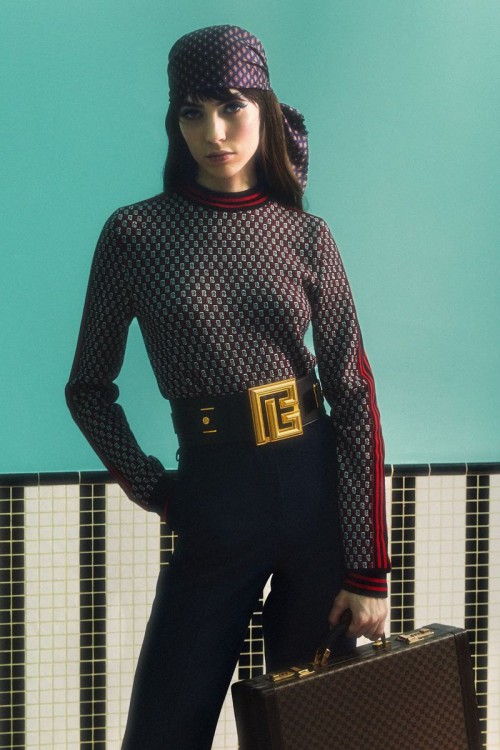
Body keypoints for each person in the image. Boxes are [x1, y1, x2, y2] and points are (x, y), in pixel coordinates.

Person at [66, 25, 390, 750]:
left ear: (264, 109)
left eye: (232, 106)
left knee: (307, 735)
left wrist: (369, 568)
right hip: (213, 499)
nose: (213, 132)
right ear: (175, 123)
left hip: (315, 499)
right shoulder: (135, 235)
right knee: (162, 732)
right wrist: (157, 490)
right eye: (193, 112)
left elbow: (354, 395)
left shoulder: (307, 236)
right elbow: (87, 387)